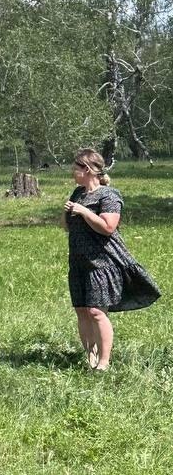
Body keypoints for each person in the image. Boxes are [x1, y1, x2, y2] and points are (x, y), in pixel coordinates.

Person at [63, 148, 160, 371]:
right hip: (78, 262)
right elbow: (69, 225)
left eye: (75, 169)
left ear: (87, 169)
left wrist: (84, 212)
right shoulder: (78, 193)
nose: (72, 173)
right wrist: (68, 211)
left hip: (101, 263)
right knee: (82, 310)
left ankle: (104, 363)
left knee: (97, 311)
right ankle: (90, 357)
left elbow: (108, 227)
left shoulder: (109, 195)